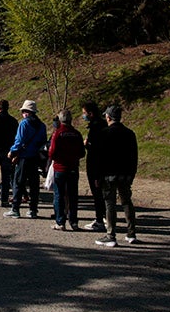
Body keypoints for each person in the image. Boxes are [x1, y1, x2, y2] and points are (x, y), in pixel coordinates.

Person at [93, 106, 139, 246]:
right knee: (127, 202)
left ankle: (111, 235)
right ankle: (131, 233)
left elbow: (99, 157)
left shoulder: (104, 133)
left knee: (110, 203)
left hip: (109, 174)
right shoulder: (129, 133)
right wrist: (132, 173)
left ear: (108, 117)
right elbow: (134, 156)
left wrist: (97, 176)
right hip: (125, 174)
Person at [4, 100, 47, 219]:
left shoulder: (24, 124)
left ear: (27, 112)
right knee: (34, 184)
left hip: (24, 157)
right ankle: (33, 209)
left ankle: (15, 208)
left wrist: (12, 151)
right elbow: (43, 142)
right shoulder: (41, 125)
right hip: (36, 157)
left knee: (18, 182)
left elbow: (19, 140)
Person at [48, 109, 85, 231]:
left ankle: (60, 221)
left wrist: (57, 159)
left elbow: (52, 151)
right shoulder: (77, 134)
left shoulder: (58, 133)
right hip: (73, 168)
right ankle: (73, 221)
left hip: (60, 168)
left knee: (59, 194)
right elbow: (82, 152)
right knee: (73, 195)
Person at [81, 102, 107, 231]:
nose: (83, 116)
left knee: (97, 193)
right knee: (102, 193)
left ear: (91, 114)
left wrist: (87, 144)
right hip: (102, 164)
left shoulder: (96, 128)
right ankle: (105, 216)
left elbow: (96, 148)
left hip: (95, 166)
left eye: (84, 113)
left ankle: (99, 219)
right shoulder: (103, 126)